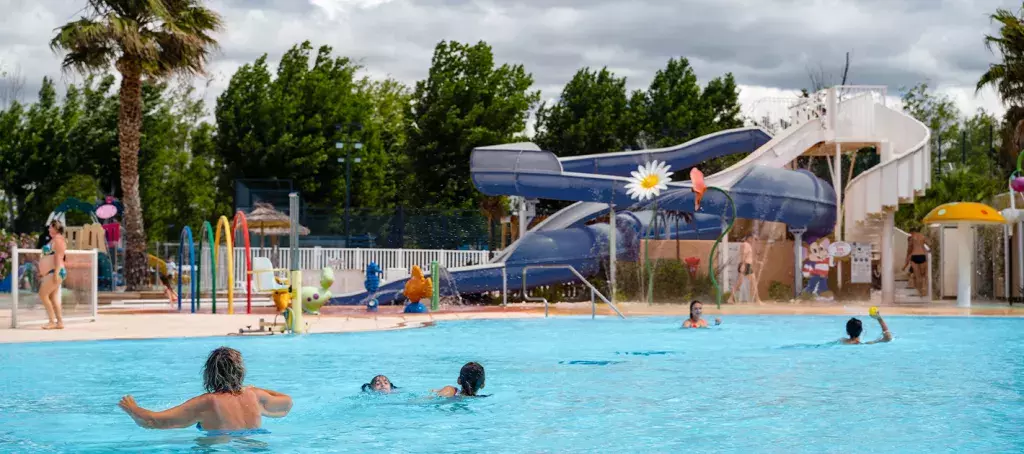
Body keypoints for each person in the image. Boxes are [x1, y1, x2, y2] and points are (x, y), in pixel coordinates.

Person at [118, 347, 293, 431]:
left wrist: (133, 409)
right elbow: (287, 404)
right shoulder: (255, 396)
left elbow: (153, 422)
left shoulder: (208, 403)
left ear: (209, 374)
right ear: (240, 372)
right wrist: (254, 388)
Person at [37, 220, 67, 330]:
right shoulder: (54, 239)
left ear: (56, 228)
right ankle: (59, 322)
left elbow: (59, 257)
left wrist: (56, 273)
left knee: (43, 294)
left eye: (50, 227)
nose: (49, 229)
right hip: (52, 271)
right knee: (53, 298)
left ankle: (51, 321)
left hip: (55, 271)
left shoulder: (59, 240)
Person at [728, 233, 763, 304]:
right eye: (752, 239)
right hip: (746, 265)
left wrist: (757, 262)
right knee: (753, 283)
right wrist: (743, 265)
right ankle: (757, 300)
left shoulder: (746, 245)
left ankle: (730, 299)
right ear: (749, 238)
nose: (753, 240)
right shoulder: (746, 245)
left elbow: (749, 256)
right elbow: (744, 254)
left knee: (740, 283)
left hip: (746, 265)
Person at [903, 230, 929, 296]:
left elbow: (909, 251)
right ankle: (924, 289)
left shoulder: (911, 238)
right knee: (923, 275)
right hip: (922, 256)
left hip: (914, 256)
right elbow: (929, 244)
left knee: (917, 276)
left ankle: (919, 291)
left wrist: (905, 265)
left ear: (911, 232)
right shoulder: (922, 236)